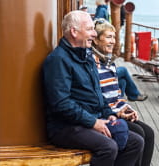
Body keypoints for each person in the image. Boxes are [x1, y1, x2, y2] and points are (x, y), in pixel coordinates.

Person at [42, 10, 144, 166]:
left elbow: (98, 94)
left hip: (89, 119)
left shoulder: (86, 57)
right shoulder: (58, 60)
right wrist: (93, 122)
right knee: (108, 147)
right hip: (65, 127)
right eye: (90, 29)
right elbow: (61, 104)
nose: (94, 34)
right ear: (74, 32)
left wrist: (109, 114)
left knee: (135, 141)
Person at [92, 18, 154, 166]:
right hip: (105, 114)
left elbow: (116, 96)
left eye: (114, 37)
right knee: (139, 135)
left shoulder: (110, 63)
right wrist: (118, 113)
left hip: (115, 111)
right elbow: (100, 98)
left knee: (149, 133)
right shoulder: (93, 65)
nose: (113, 41)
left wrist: (127, 108)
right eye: (108, 37)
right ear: (95, 40)